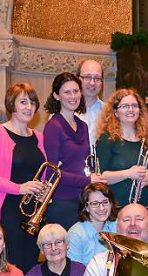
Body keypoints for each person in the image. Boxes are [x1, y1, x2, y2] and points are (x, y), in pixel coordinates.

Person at [0, 82, 47, 273]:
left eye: (32, 102)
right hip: (7, 210)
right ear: (11, 104)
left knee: (31, 264)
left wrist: (44, 189)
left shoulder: (39, 137)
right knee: (10, 268)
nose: (29, 107)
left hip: (32, 212)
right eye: (23, 102)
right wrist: (19, 188)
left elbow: (42, 172)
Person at [43, 72, 105, 229]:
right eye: (67, 92)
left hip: (82, 199)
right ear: (57, 96)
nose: (73, 96)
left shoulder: (82, 125)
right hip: (62, 202)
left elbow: (82, 164)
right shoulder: (53, 126)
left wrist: (91, 176)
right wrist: (87, 180)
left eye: (76, 91)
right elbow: (52, 173)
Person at [95, 88, 148, 209]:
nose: (130, 109)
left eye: (134, 106)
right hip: (115, 208)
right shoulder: (106, 139)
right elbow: (101, 177)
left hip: (144, 208)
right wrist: (128, 173)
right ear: (115, 112)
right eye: (125, 106)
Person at [66, 182, 119, 265]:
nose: (101, 208)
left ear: (111, 203)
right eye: (95, 204)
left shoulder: (117, 226)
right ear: (86, 207)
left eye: (105, 202)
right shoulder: (76, 234)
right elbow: (75, 272)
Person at [76, 59, 105, 145]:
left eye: (97, 78)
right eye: (87, 77)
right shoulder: (63, 112)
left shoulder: (110, 112)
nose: (92, 83)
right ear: (78, 79)